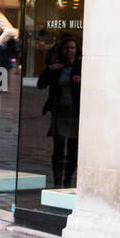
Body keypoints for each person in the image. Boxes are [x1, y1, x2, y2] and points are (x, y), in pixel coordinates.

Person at [37, 36, 81, 189]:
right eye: (67, 48)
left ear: (77, 50)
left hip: (76, 114)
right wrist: (49, 70)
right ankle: (57, 183)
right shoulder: (56, 67)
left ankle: (68, 182)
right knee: (59, 149)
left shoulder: (81, 67)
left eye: (73, 48)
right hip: (60, 113)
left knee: (73, 151)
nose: (70, 51)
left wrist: (81, 81)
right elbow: (40, 85)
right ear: (63, 50)